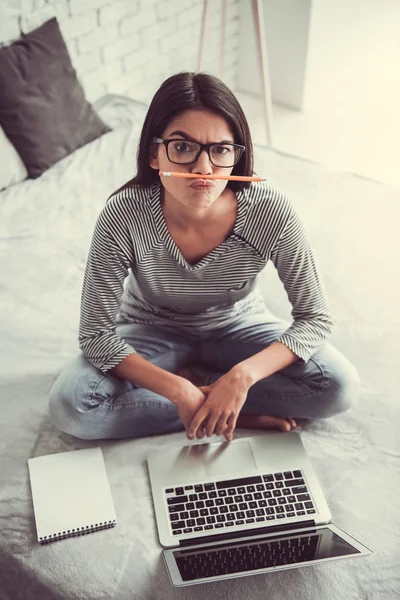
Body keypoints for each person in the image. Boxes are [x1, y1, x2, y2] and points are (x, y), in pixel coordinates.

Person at [48, 71, 360, 443]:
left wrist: (241, 378)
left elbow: (315, 319)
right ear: (153, 153)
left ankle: (224, 398)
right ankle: (224, 409)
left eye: (220, 150)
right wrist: (179, 390)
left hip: (237, 324)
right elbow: (96, 335)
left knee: (338, 386)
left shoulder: (271, 211)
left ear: (236, 155)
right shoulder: (123, 215)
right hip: (149, 328)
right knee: (72, 405)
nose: (204, 169)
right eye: (182, 148)